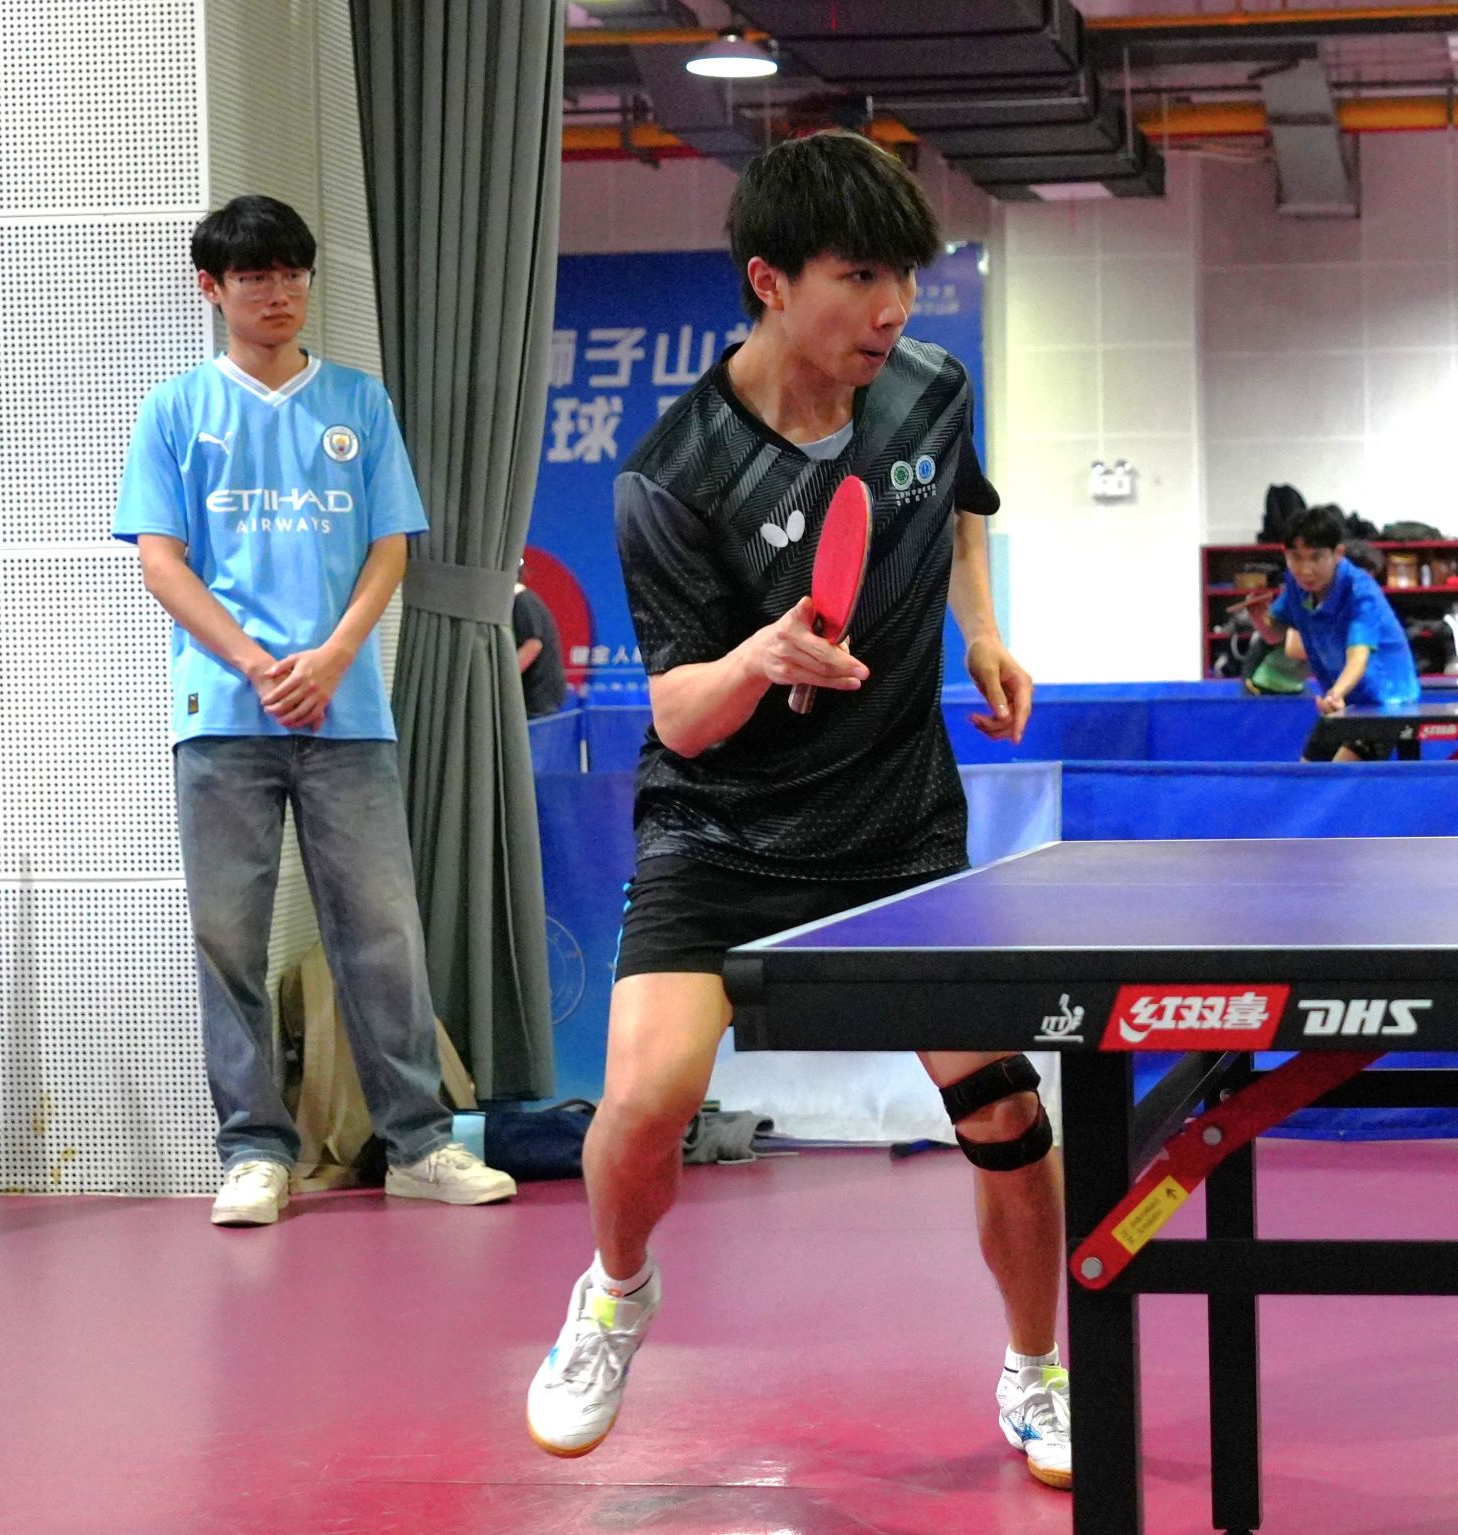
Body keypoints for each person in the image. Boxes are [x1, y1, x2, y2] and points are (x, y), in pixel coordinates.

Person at [521, 132, 1066, 1489]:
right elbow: (676, 713)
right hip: (720, 831)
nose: (893, 309)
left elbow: (959, 509)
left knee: (1006, 1113)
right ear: (770, 280)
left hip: (897, 823)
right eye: (859, 278)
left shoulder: (927, 386)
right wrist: (760, 657)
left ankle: (1036, 1366)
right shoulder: (674, 471)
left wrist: (981, 630)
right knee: (642, 1102)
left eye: (906, 278)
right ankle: (616, 1288)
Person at [113, 195, 516, 1226]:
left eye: (292, 273)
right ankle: (255, 1150)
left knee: (383, 931)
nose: (277, 292)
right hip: (222, 714)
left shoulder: (357, 403)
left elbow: (390, 547)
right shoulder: (175, 410)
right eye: (253, 276)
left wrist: (335, 656)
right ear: (212, 289)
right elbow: (161, 562)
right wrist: (254, 662)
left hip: (347, 713)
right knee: (228, 939)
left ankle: (419, 1142)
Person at [1246, 505, 1420, 761]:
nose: (1305, 569)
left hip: (1384, 699)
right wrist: (1258, 617)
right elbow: (1274, 634)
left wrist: (1336, 694)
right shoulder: (1296, 585)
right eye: (1296, 558)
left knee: (1338, 777)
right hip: (1343, 700)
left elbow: (1358, 657)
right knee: (1306, 776)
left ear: (1337, 553)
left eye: (1316, 557)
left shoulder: (1360, 591)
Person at [512, 576, 569, 717]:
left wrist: (503, 678)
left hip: (537, 702)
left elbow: (532, 645)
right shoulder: (525, 600)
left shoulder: (522, 602)